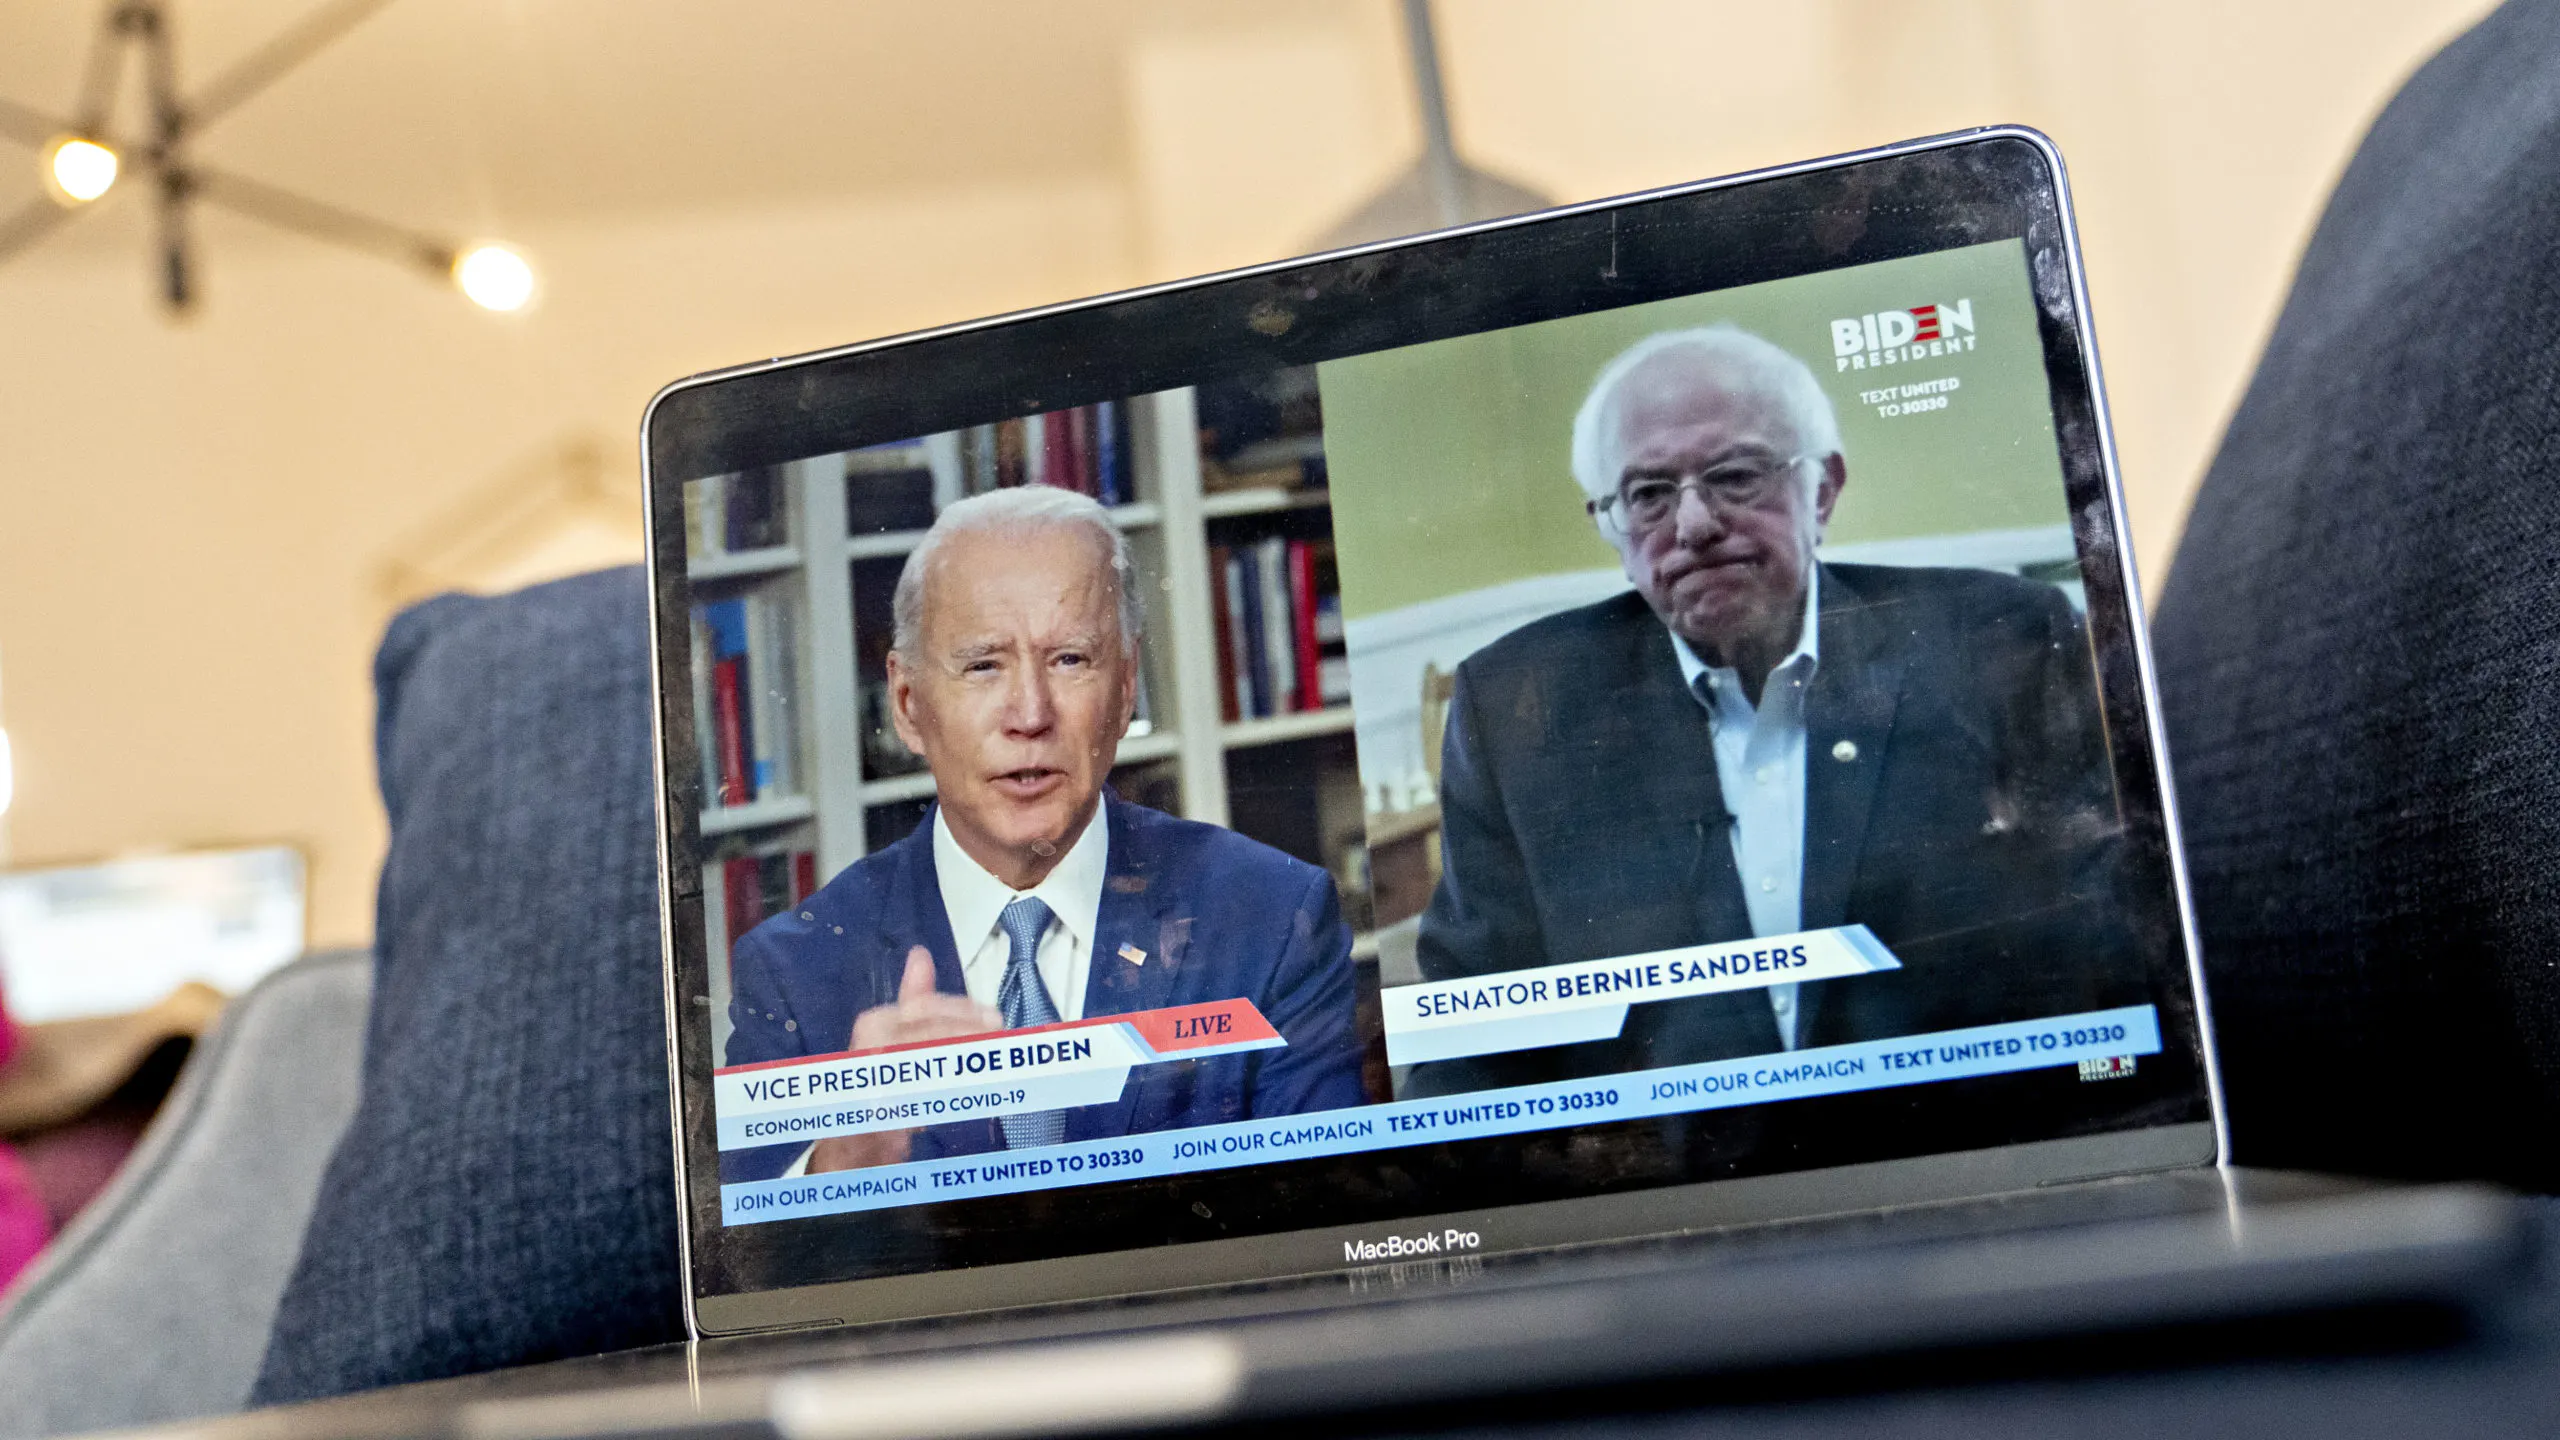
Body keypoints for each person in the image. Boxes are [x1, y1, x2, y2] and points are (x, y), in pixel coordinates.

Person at [1408, 325, 2131, 1096]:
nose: (1692, 526)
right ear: (1609, 524)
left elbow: (2115, 948)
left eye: (1735, 474)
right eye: (1648, 495)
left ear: (1821, 489)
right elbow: (1477, 1038)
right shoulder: (1515, 708)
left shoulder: (2000, 639)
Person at [723, 486, 1366, 1181]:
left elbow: (1324, 1233)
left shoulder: (1273, 916)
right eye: (982, 665)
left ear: (1124, 691)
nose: (1029, 714)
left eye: (1070, 660)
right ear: (908, 707)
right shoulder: (794, 973)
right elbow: (756, 1273)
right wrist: (835, 1172)